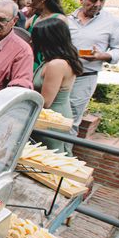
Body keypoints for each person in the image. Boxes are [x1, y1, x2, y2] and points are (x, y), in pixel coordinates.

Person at [68, 0, 119, 135]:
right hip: (61, 75)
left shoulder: (113, 22)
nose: (98, 4)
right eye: (93, 0)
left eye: (102, 0)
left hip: (85, 77)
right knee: (53, 116)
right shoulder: (67, 19)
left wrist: (102, 56)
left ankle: (63, 155)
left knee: (71, 121)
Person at [31, 18, 84, 153]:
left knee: (49, 156)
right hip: (47, 116)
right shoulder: (50, 61)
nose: (32, 42)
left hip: (52, 119)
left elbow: (46, 102)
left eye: (36, 38)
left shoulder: (57, 64)